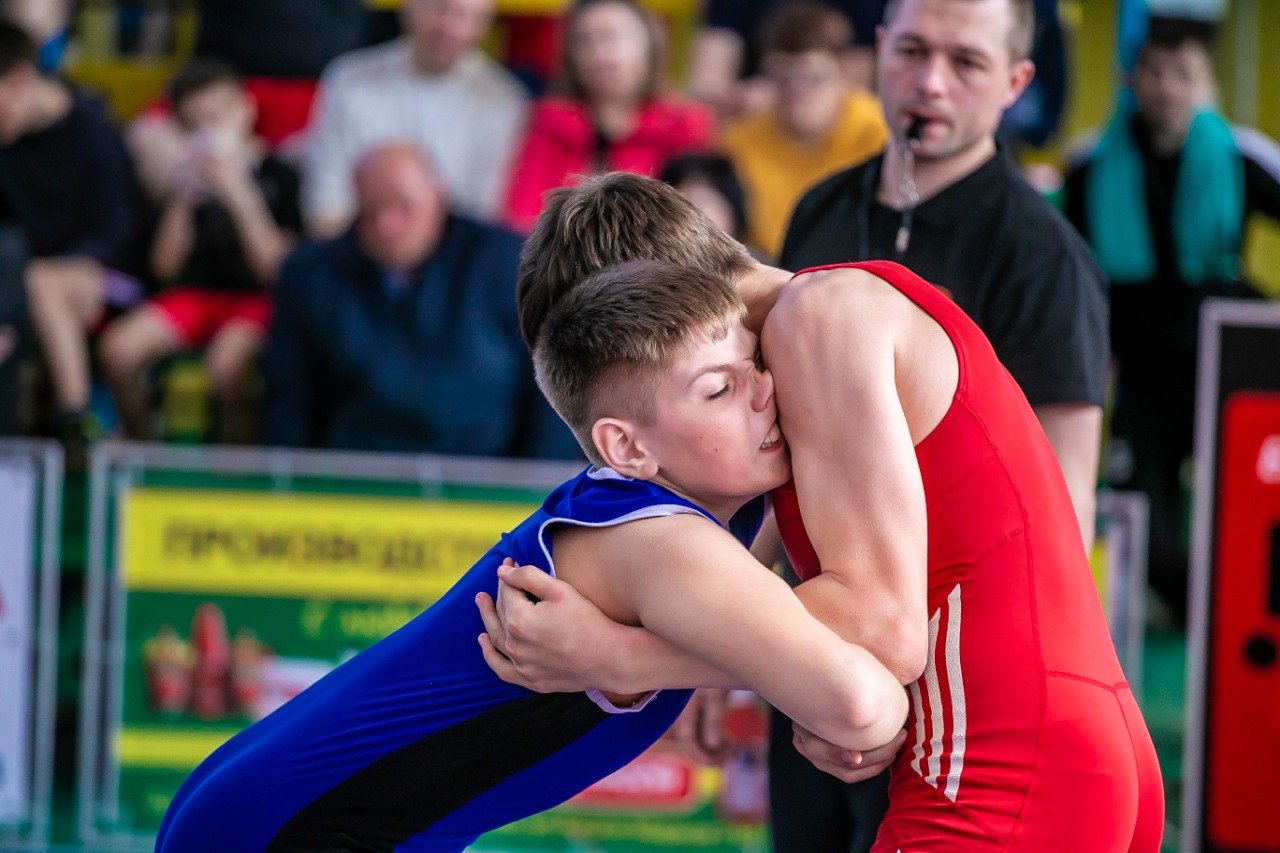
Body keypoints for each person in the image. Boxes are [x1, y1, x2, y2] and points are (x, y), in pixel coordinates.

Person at [480, 170, 1163, 851]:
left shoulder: (818, 319)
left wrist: (621, 658)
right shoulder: (825, 322)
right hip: (1068, 737)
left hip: (996, 760)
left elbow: (881, 622)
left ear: (648, 306)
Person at [155, 255, 910, 852]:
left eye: (757, 365)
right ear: (627, 447)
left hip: (260, 802)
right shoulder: (661, 542)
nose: (764, 393)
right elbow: (861, 704)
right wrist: (778, 677)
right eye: (718, 389)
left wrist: (636, 660)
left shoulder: (694, 501)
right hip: (286, 829)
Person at [1062, 17, 1280, 623]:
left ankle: (1238, 605)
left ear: (1206, 84)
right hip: (1142, 372)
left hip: (1225, 366)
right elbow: (1069, 269)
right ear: (1132, 78)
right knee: (1139, 510)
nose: (1166, 87)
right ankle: (1198, 608)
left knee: (1247, 499)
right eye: (1155, 72)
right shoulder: (1092, 165)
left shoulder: (1237, 157)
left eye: (1182, 74)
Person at [261, 141, 575, 458]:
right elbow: (289, 404)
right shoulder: (311, 276)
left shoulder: (510, 264)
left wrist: (537, 484)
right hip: (356, 474)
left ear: (439, 196)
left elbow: (555, 393)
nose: (386, 225)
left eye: (403, 206)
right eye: (369, 212)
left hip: (484, 474)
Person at [100, 60, 301, 443]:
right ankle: (143, 444)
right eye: (198, 122)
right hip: (196, 297)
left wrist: (240, 195)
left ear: (246, 107)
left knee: (227, 368)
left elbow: (277, 271)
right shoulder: (184, 183)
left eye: (221, 112)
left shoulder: (281, 173)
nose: (214, 127)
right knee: (118, 352)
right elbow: (164, 267)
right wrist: (183, 196)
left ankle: (242, 458)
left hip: (258, 302)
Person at [0, 20, 142, 445]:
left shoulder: (95, 136)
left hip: (108, 278)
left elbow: (116, 235)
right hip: (20, 279)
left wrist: (71, 266)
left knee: (42, 281)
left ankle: (75, 420)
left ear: (19, 79)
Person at [303, 0, 527, 236]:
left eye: (466, 16)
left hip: (455, 252)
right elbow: (326, 199)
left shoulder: (503, 99)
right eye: (440, 9)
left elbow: (482, 210)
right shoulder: (350, 79)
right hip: (354, 243)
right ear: (408, 7)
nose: (449, 27)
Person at [501, 0, 712, 233]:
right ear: (569, 56)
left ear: (649, 43)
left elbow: (698, 226)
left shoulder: (685, 129)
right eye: (585, 41)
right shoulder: (547, 126)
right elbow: (521, 221)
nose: (600, 53)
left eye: (614, 36)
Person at [719, 2, 887, 259]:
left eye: (812, 78)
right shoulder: (737, 141)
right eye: (782, 78)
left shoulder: (878, 131)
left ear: (843, 72)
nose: (796, 92)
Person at [687, 0, 883, 119]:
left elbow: (865, 73)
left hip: (839, 116)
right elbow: (707, 82)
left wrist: (798, 86)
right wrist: (741, 97)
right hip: (754, 116)